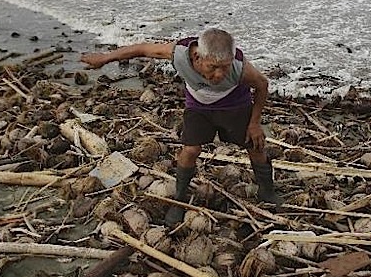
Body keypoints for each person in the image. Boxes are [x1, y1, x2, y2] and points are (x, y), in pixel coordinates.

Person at [80, 28, 277, 225]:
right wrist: (104, 58)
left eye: (225, 67)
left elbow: (262, 85)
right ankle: (180, 199)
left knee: (255, 145)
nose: (219, 74)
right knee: (190, 150)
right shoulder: (179, 54)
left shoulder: (240, 67)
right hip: (199, 106)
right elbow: (141, 49)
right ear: (198, 57)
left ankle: (267, 192)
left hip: (234, 105)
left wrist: (254, 123)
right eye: (213, 67)